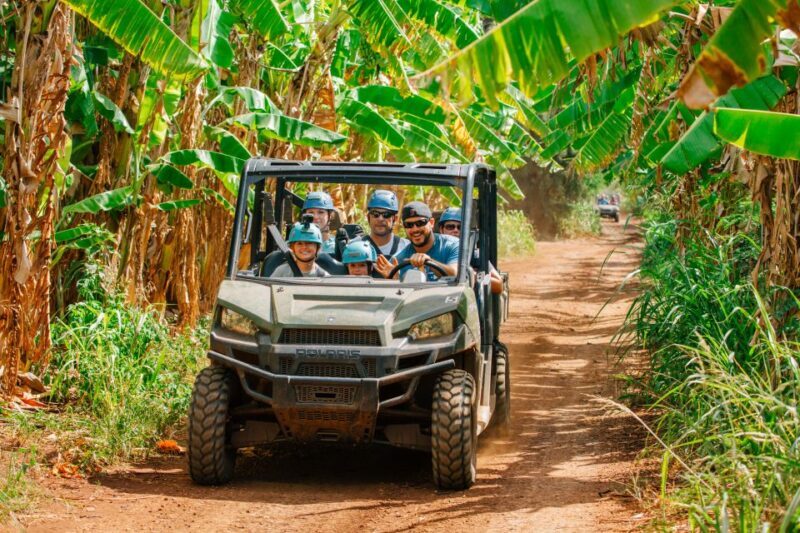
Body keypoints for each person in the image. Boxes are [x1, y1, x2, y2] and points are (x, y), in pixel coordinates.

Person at [375, 201, 459, 281]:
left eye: (420, 223)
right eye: (409, 225)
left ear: (431, 223)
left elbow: (456, 274)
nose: (415, 229)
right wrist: (395, 281)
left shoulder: (452, 245)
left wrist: (429, 262)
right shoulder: (398, 260)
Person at [437, 206, 504, 294]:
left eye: (460, 227)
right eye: (450, 227)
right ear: (441, 230)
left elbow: (498, 284)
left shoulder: (474, 254)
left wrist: (475, 277)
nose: (455, 230)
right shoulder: (434, 251)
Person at [352, 189, 409, 257]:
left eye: (386, 214)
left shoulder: (406, 247)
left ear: (395, 219)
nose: (380, 219)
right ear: (368, 217)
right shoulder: (354, 246)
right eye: (375, 214)